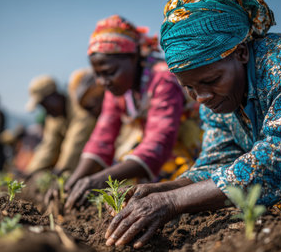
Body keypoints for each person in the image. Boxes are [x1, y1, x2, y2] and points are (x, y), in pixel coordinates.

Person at [103, 0, 281, 248]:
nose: (200, 97)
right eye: (189, 88)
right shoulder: (217, 97)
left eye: (211, 81)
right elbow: (219, 159)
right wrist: (166, 189)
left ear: (241, 53)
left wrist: (172, 203)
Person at [59, 15, 201, 210]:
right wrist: (74, 180)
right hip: (156, 150)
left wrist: (98, 179)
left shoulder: (162, 78)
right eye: (97, 75)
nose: (102, 82)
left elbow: (159, 141)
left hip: (188, 145)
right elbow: (102, 137)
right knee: (124, 169)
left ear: (133, 58)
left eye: (109, 72)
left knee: (169, 183)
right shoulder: (118, 90)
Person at [23, 69, 104, 176]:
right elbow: (48, 146)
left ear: (54, 96)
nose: (45, 109)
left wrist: (61, 172)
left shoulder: (79, 108)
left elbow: (75, 144)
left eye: (44, 104)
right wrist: (30, 171)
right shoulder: (54, 118)